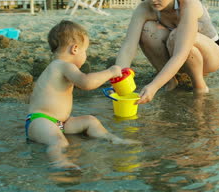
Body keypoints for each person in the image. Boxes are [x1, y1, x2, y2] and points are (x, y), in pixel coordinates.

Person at [26, 20, 138, 170]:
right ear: (75, 49)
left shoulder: (59, 67)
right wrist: (111, 72)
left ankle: (112, 139)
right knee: (60, 142)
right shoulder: (62, 66)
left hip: (60, 123)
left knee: (90, 121)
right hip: (40, 121)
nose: (85, 56)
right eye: (85, 51)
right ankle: (59, 162)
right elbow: (86, 83)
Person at [116, 0, 219, 104]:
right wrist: (118, 79)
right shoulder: (144, 8)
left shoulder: (188, 5)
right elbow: (128, 46)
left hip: (209, 56)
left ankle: (199, 86)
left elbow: (181, 52)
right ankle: (171, 82)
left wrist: (154, 86)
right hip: (176, 50)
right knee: (147, 30)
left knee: (176, 36)